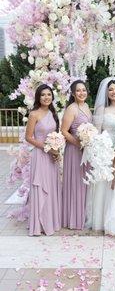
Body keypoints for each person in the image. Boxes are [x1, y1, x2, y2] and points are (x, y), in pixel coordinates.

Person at [86, 77, 115, 231]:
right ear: (106, 92)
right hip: (105, 151)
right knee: (104, 184)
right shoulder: (101, 109)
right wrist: (101, 153)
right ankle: (101, 219)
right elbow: (96, 133)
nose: (114, 92)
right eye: (111, 89)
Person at [26, 84, 62, 236]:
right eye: (43, 95)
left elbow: (57, 135)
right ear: (38, 97)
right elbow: (28, 137)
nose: (46, 97)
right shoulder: (34, 114)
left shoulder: (54, 114)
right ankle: (38, 225)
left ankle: (50, 221)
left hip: (51, 156)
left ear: (52, 97)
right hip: (40, 156)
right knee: (40, 187)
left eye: (49, 94)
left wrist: (57, 149)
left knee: (51, 187)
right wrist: (47, 148)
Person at [61, 80, 92, 230]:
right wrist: (78, 143)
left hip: (86, 151)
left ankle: (84, 215)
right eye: (78, 91)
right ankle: (73, 218)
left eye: (84, 90)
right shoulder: (72, 109)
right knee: (76, 184)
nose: (81, 93)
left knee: (85, 183)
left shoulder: (86, 106)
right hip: (74, 151)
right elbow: (64, 131)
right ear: (73, 94)